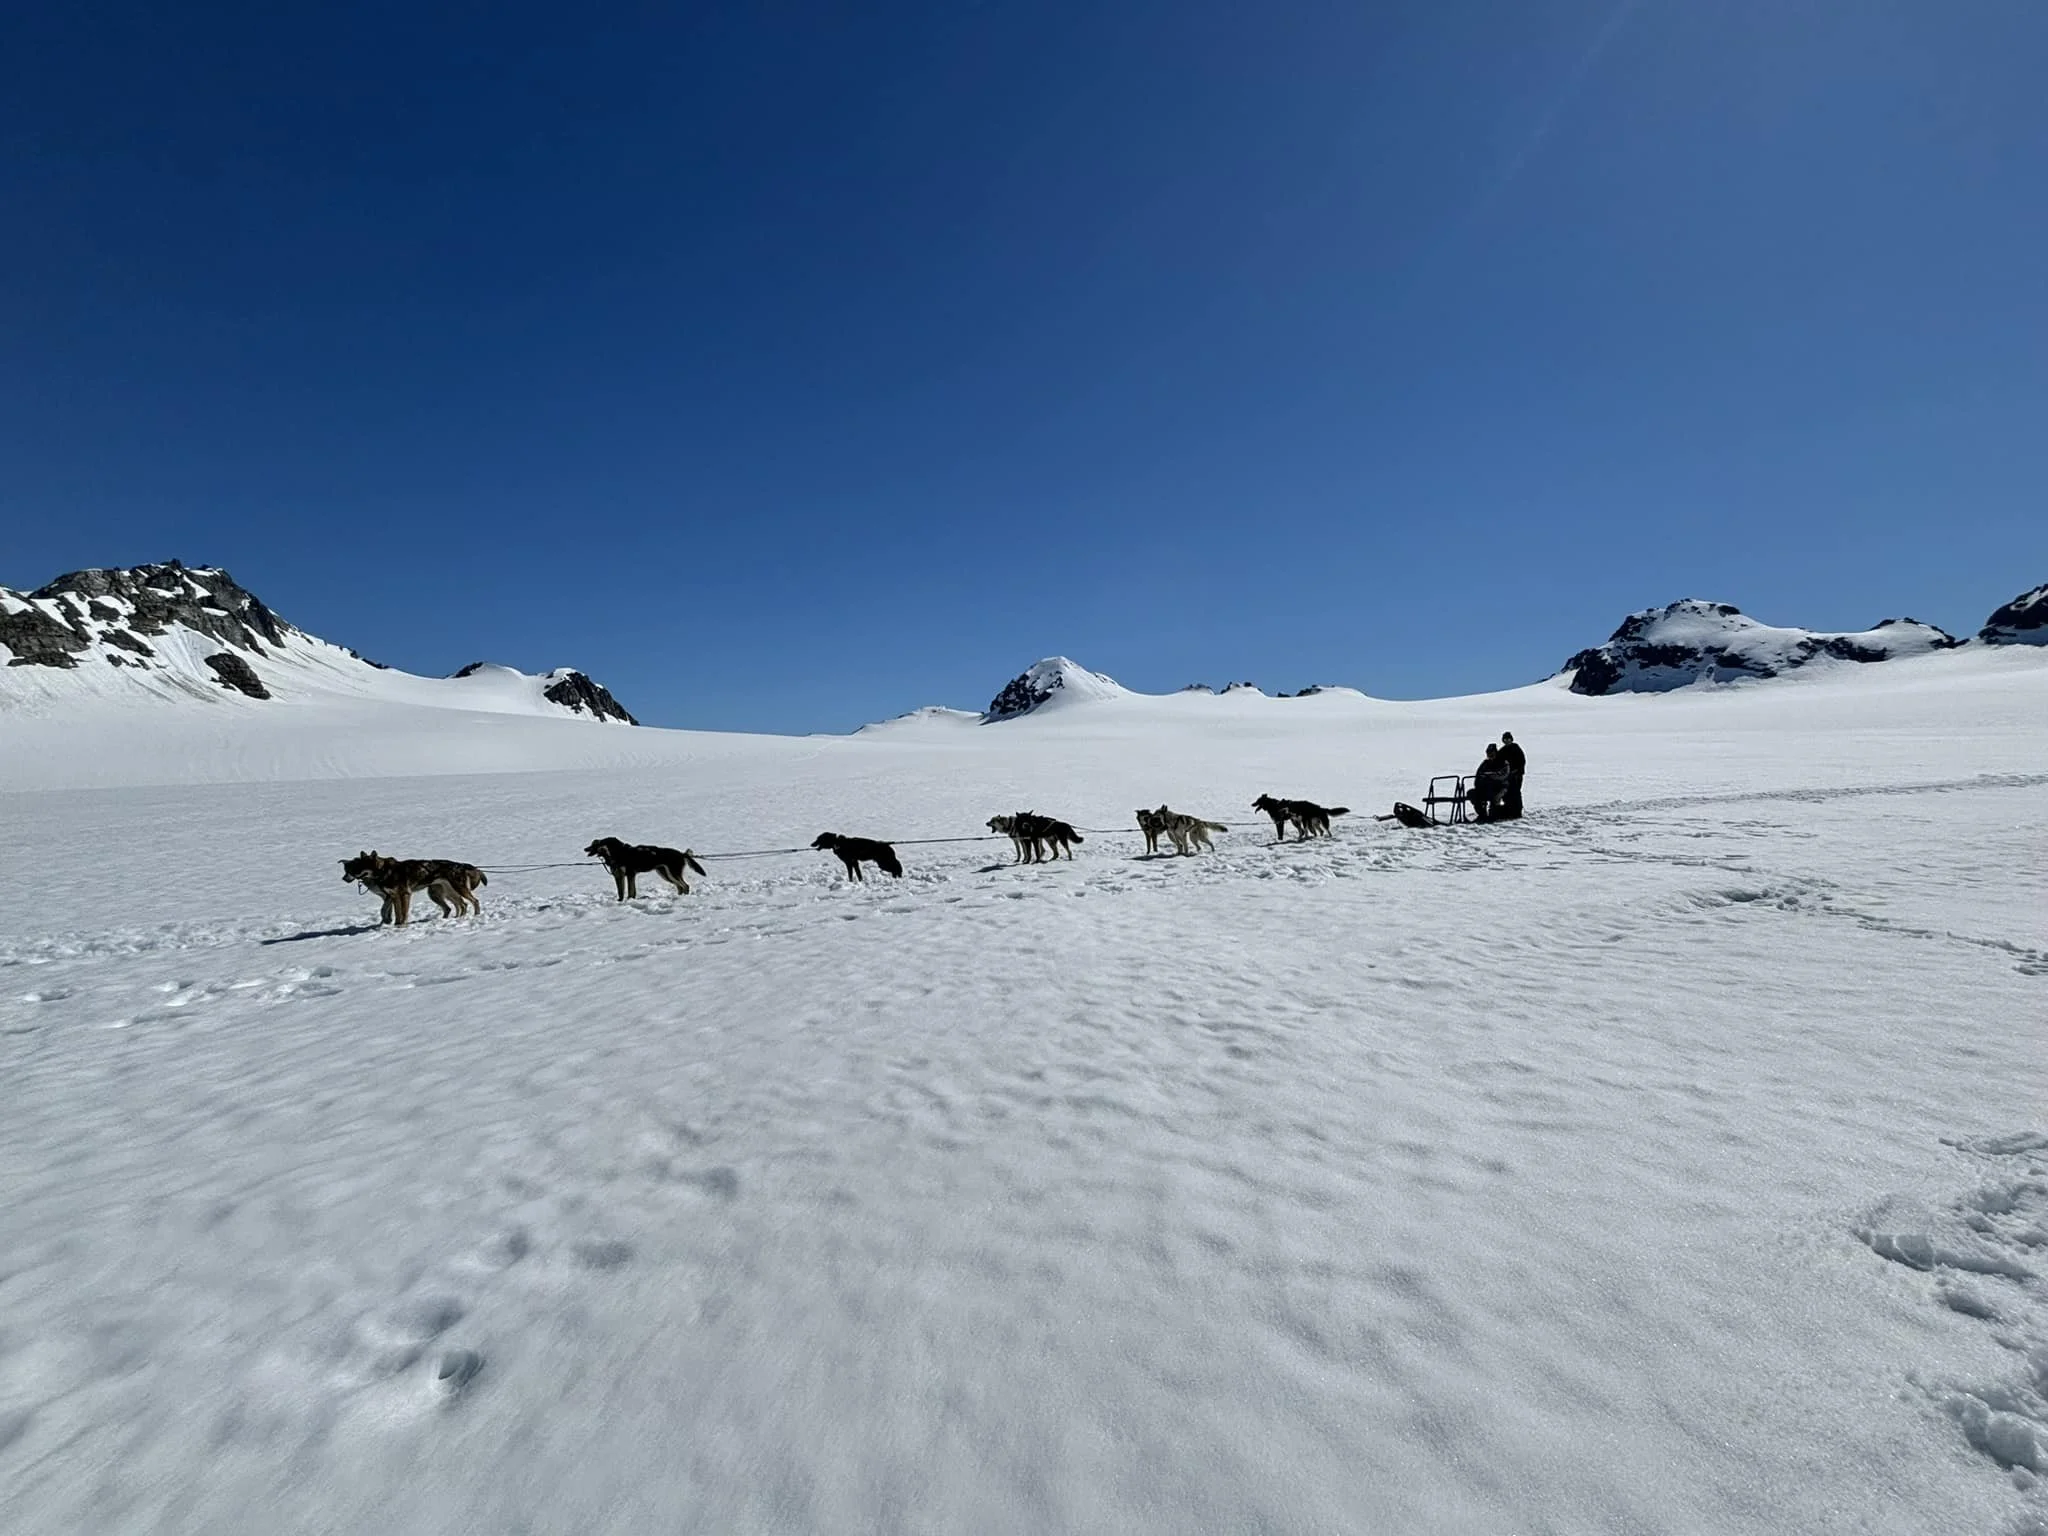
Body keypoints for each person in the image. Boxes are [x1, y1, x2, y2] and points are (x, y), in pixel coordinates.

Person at [1467, 743, 1510, 823]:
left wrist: (1491, 776)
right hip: (1485, 788)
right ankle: (1482, 815)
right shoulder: (1485, 763)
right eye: (1488, 753)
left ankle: (1493, 815)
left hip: (1500, 787)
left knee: (1494, 798)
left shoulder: (1503, 762)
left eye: (1492, 753)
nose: (1490, 755)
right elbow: (1478, 775)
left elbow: (1503, 775)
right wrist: (1479, 784)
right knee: (1472, 793)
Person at [1498, 731, 1527, 819]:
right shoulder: (1502, 750)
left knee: (1516, 793)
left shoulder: (1516, 748)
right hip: (1506, 776)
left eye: (1508, 739)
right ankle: (1509, 811)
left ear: (1511, 739)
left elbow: (1522, 762)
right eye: (1505, 739)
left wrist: (1516, 771)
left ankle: (1518, 811)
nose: (1506, 741)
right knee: (1507, 793)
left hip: (1516, 776)